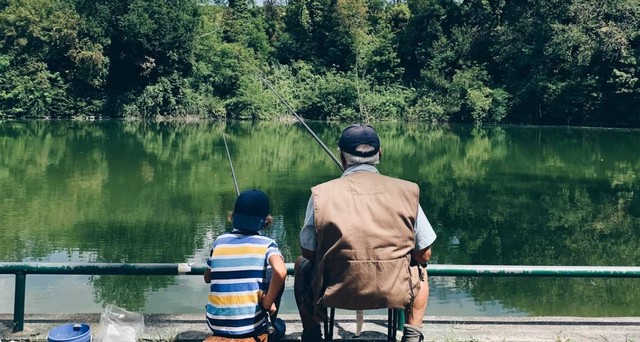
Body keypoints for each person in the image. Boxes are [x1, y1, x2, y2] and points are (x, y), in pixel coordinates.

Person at [294, 124, 437, 342]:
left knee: (301, 265)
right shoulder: (407, 191)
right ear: (380, 153)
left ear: (341, 156)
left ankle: (312, 334)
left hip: (335, 290)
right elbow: (424, 254)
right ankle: (411, 335)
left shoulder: (320, 195)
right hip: (394, 290)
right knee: (421, 270)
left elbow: (308, 251)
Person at [204, 189, 288, 342]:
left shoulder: (219, 242)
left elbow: (207, 278)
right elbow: (281, 272)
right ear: (265, 221)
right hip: (250, 328)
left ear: (233, 217)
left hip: (215, 323)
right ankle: (270, 324)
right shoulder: (267, 245)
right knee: (280, 327)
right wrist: (268, 303)